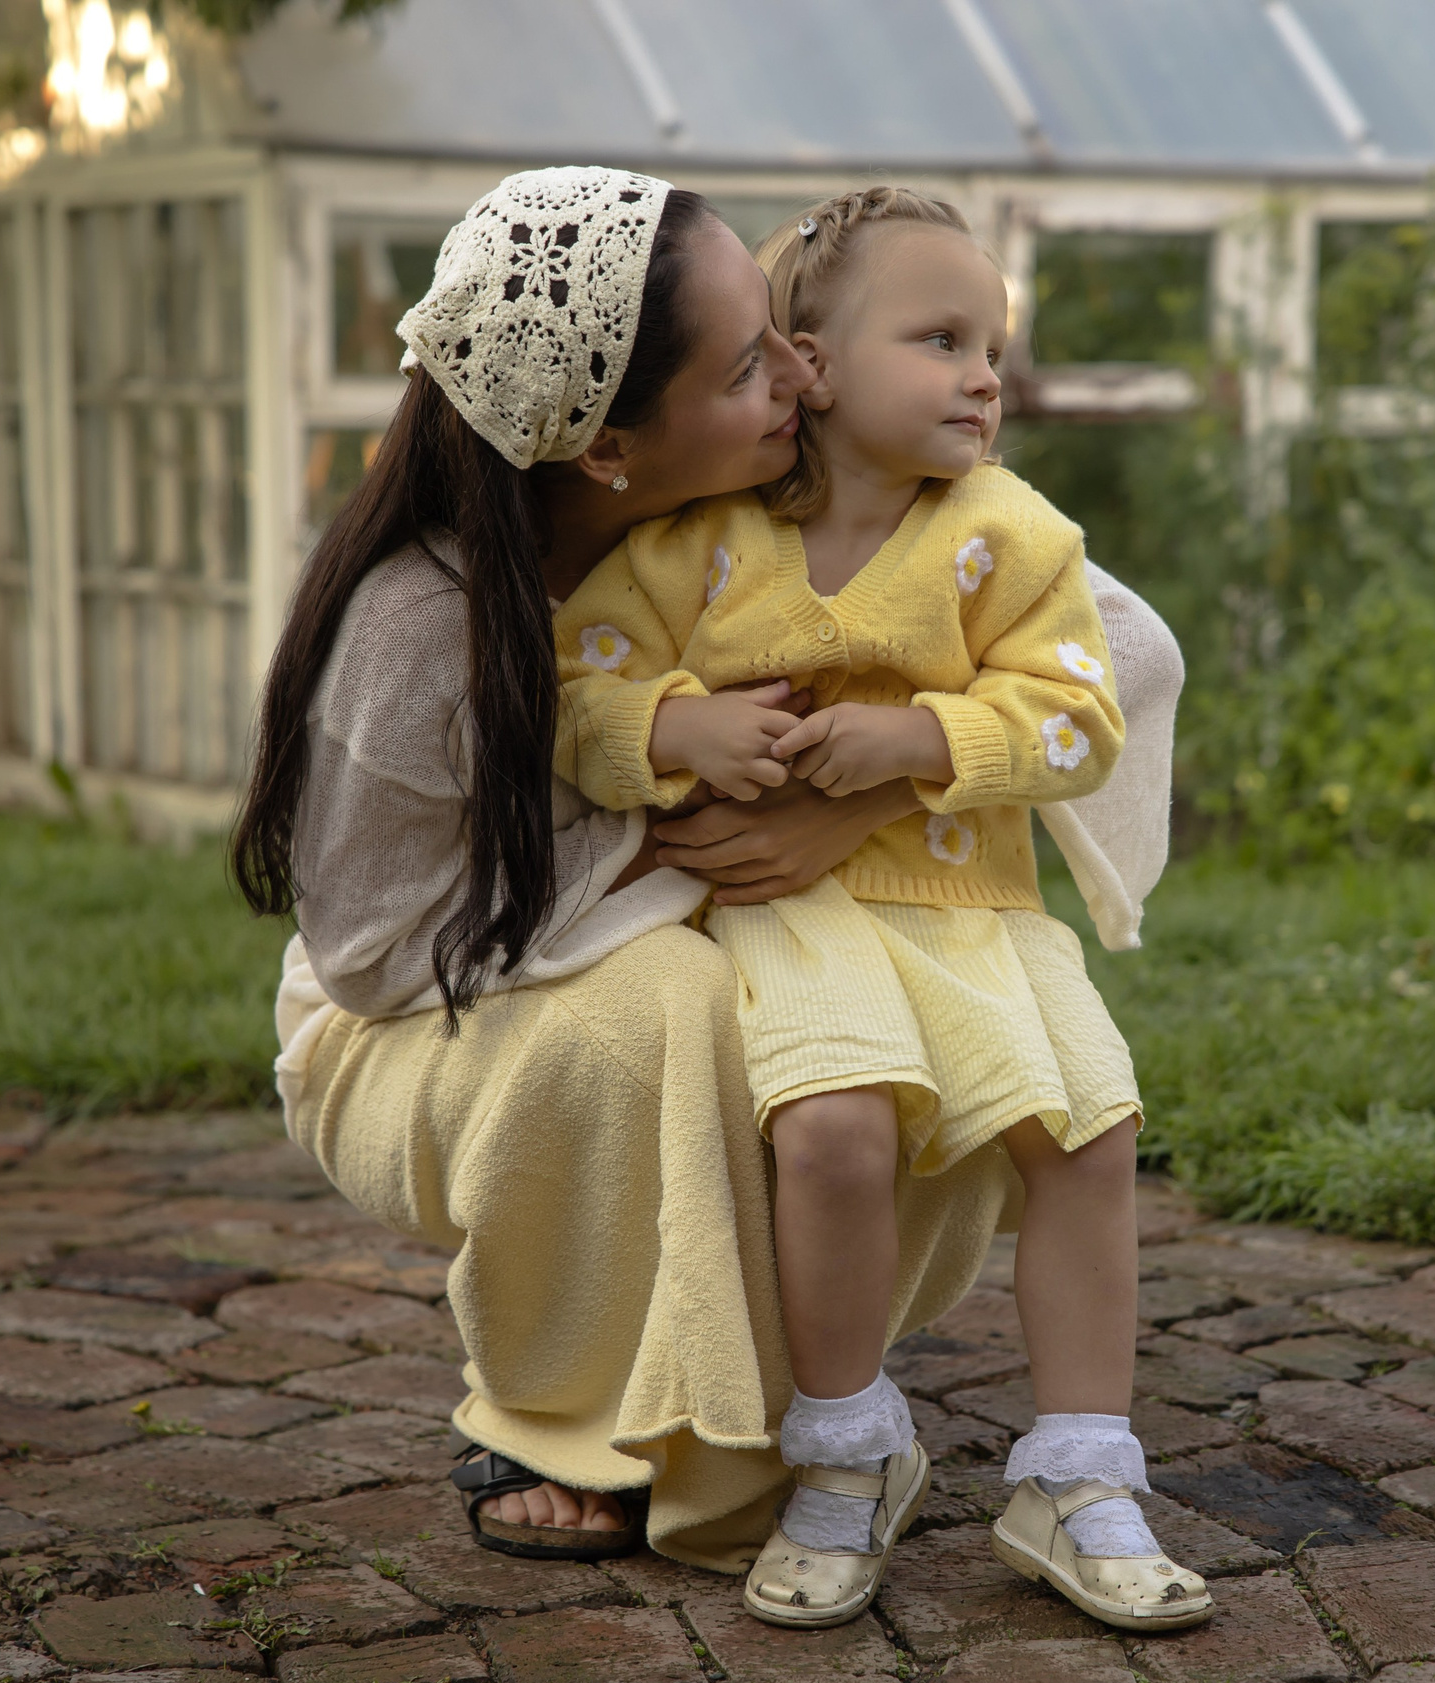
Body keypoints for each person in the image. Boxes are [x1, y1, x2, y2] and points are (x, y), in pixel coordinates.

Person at [233, 165, 1184, 1580]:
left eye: (787, 336)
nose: (799, 380)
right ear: (611, 445)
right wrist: (693, 838)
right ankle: (574, 1424)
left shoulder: (781, 518)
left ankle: (799, 1411)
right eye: (750, 367)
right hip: (406, 1032)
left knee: (878, 1034)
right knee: (675, 1008)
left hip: (674, 943)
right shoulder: (421, 627)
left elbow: (1129, 655)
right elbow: (376, 957)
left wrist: (856, 807)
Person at [551, 186, 1209, 1632]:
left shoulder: (1008, 538)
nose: (985, 373)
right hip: (804, 916)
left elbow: (1080, 720)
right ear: (812, 364)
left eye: (994, 344)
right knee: (836, 1129)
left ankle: (1082, 1476)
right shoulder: (703, 548)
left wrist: (923, 743)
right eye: (940, 337)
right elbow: (574, 684)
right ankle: (847, 1455)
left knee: (1091, 1135)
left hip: (977, 910)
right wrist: (677, 730)